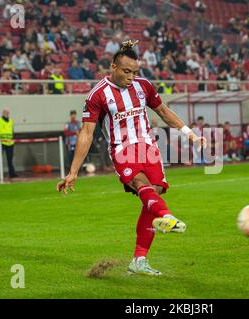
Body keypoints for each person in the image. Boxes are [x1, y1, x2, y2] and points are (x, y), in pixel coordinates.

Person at [56, 40, 206, 276]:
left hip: (148, 147)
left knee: (152, 193)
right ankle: (166, 216)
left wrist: (190, 134)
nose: (130, 77)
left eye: (134, 72)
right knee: (140, 185)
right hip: (122, 149)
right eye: (126, 71)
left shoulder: (143, 86)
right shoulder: (98, 95)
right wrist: (73, 171)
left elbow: (163, 112)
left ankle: (139, 261)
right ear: (112, 66)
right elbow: (86, 132)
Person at [0, 108, 18, 179]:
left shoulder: (11, 121)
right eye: (6, 112)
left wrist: (13, 139)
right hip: (1, 143)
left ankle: (12, 173)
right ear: (3, 113)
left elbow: (12, 131)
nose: (7, 114)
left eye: (8, 112)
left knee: (10, 159)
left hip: (10, 143)